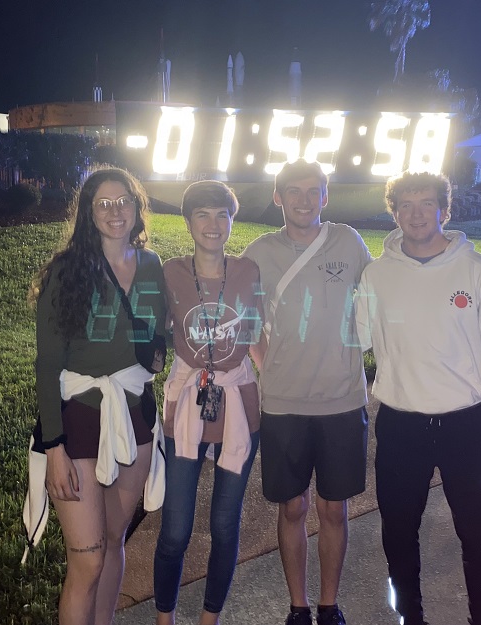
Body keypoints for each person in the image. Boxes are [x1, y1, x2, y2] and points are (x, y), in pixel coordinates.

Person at [355, 171, 481, 625]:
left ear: (444, 211)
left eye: (425, 203)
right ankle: (410, 617)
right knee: (398, 534)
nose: (415, 214)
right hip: (401, 424)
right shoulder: (377, 275)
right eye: (405, 205)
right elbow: (353, 338)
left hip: (467, 425)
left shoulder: (477, 270)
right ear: (393, 212)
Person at [27, 167, 168, 625]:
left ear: (137, 206)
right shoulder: (67, 271)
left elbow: (155, 328)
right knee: (86, 559)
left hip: (135, 416)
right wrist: (55, 448)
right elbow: (47, 367)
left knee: (114, 541)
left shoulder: (151, 265)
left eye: (123, 200)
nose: (115, 211)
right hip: (81, 418)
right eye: (104, 203)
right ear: (87, 212)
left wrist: (157, 351)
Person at [242, 159, 372, 625]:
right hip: (283, 404)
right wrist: (268, 364)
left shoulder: (349, 242)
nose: (302, 199)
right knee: (292, 506)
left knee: (333, 509)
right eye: (292, 191)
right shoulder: (258, 252)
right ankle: (298, 606)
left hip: (342, 400)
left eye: (312, 190)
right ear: (277, 197)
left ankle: (329, 604)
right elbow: (246, 321)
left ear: (325, 196)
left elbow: (376, 299)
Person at [154, 181, 264, 625]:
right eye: (203, 214)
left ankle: (209, 618)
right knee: (176, 530)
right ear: (187, 222)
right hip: (185, 401)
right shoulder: (169, 272)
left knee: (224, 525)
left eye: (222, 214)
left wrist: (278, 384)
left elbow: (255, 335)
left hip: (238, 398)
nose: (213, 224)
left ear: (233, 221)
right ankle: (165, 618)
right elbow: (153, 334)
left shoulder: (248, 271)